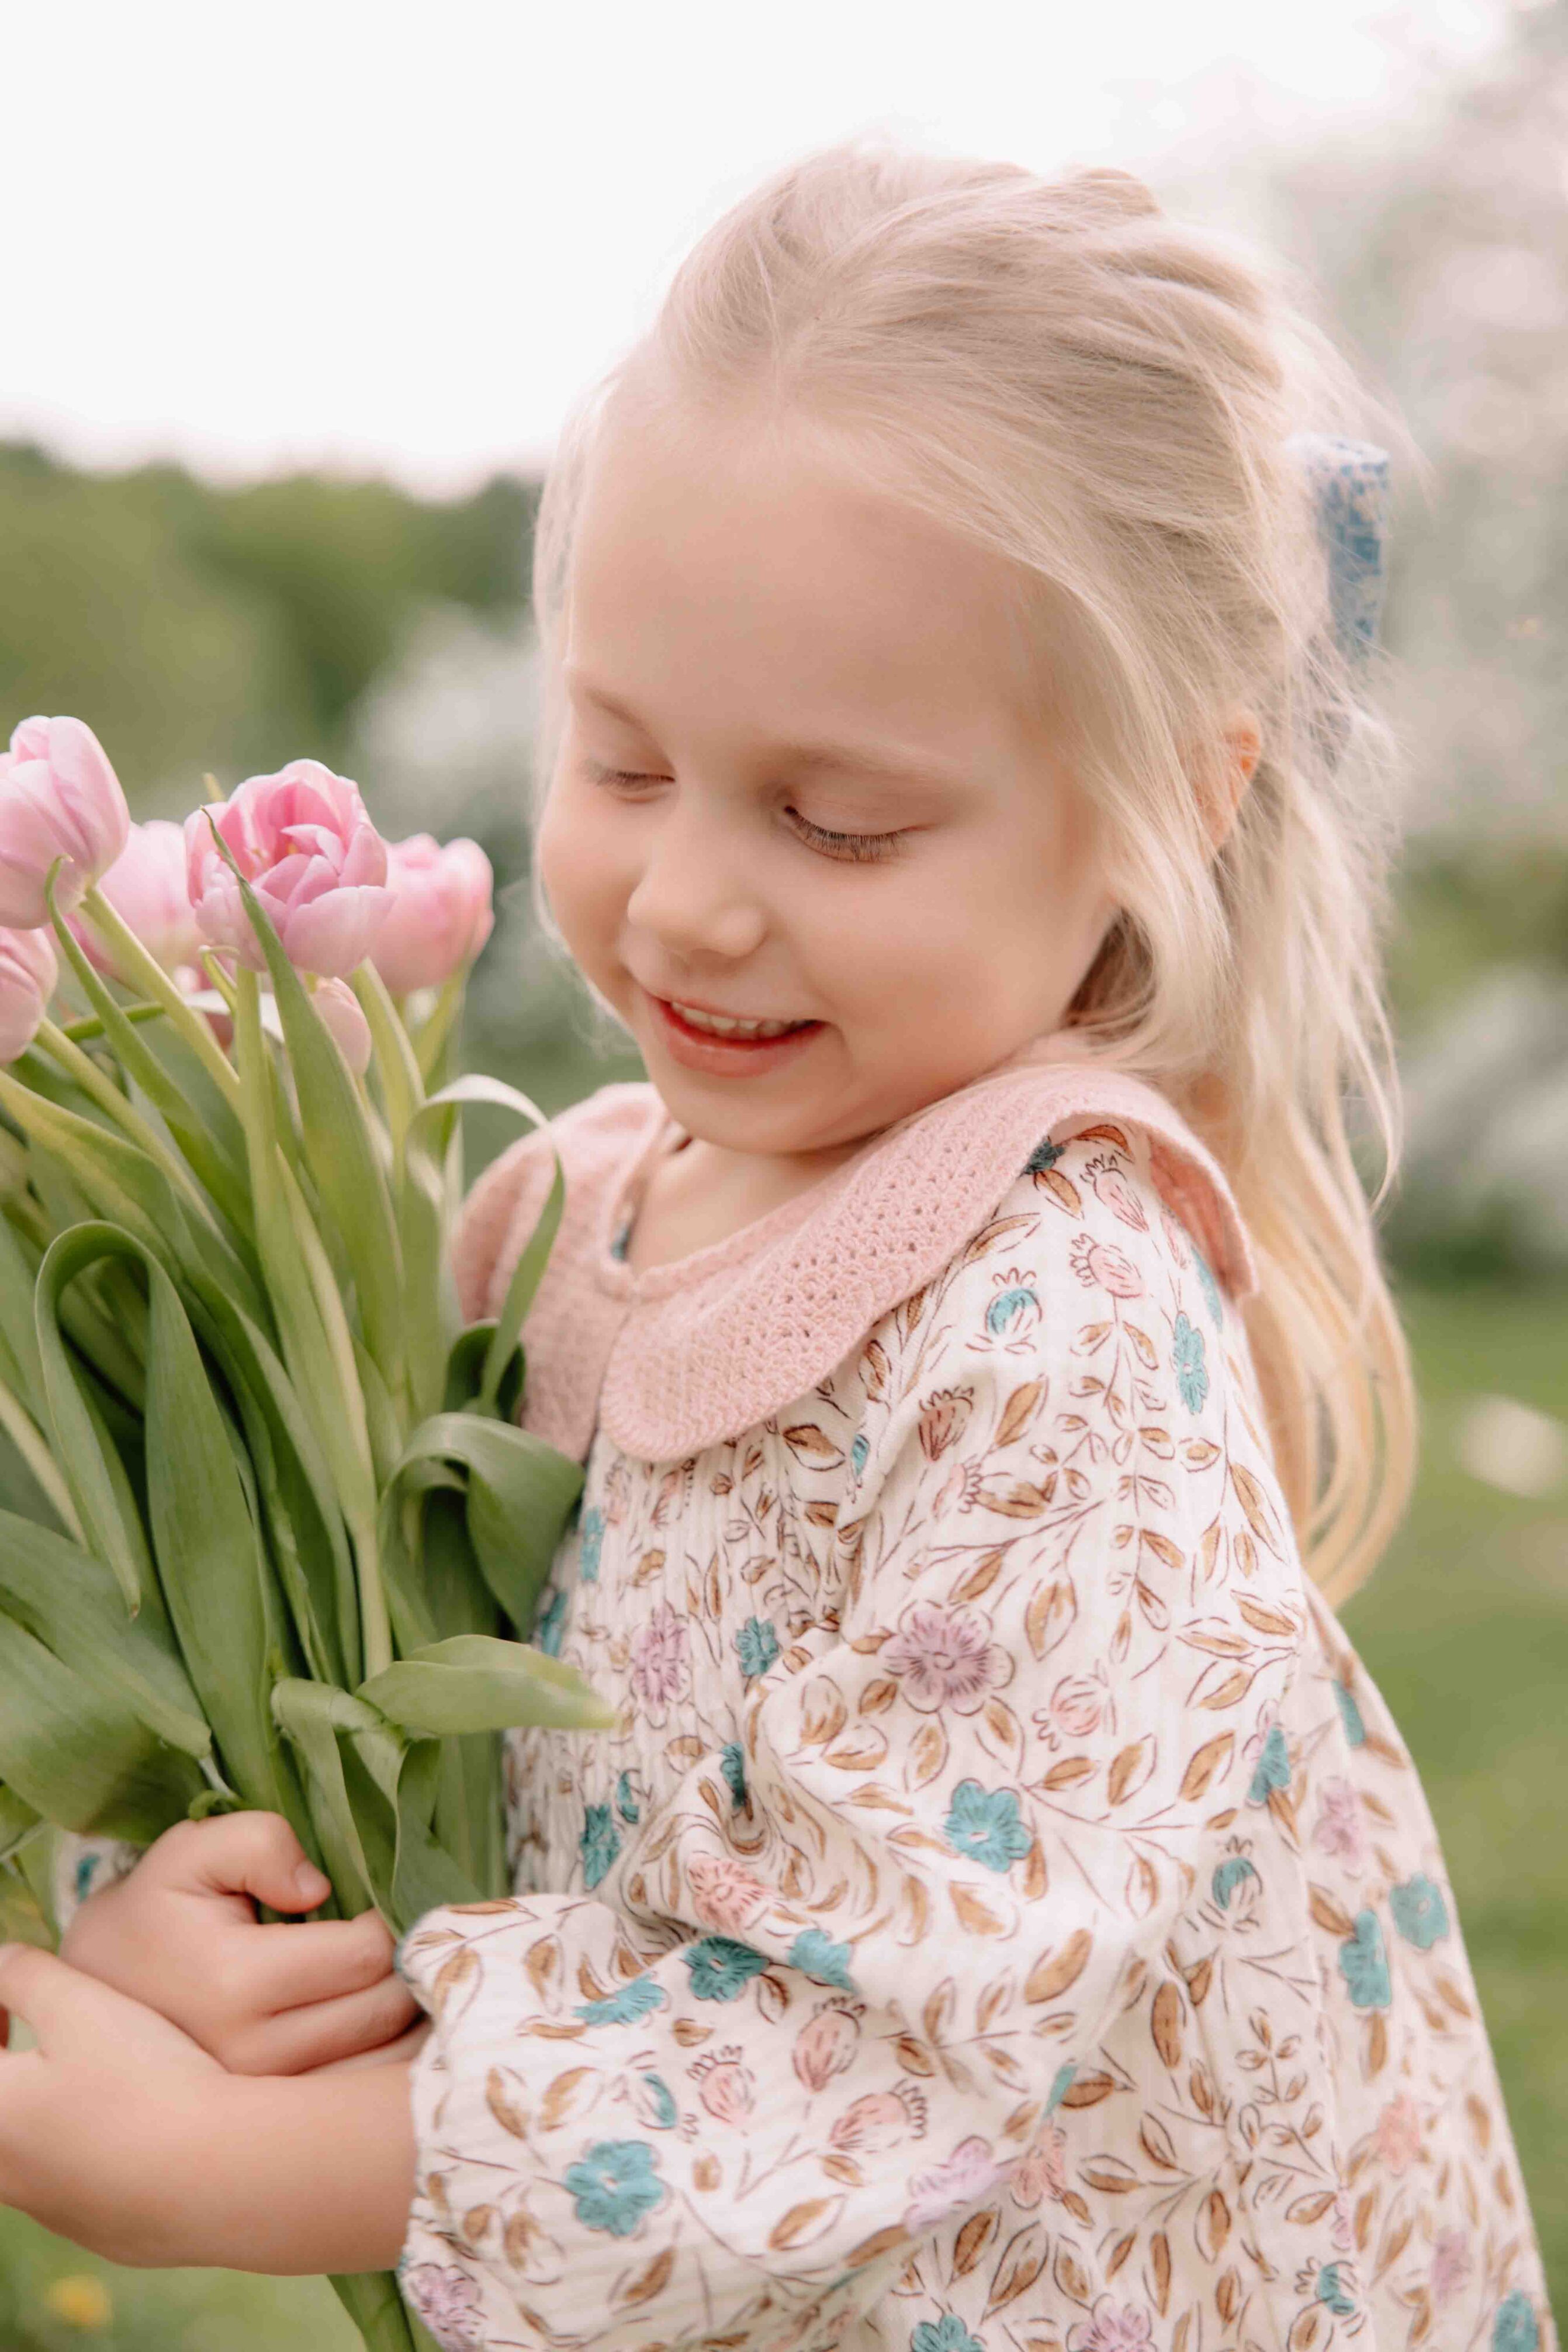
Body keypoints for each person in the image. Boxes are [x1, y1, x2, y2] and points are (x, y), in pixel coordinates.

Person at [0, 147, 1551, 2352]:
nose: (689, 902)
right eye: (623, 766)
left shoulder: (1051, 1326)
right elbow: (343, 1696)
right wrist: (183, 1930)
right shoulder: (551, 1221)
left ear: (1175, 801)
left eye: (839, 821)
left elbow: (878, 2039)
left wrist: (238, 2168)